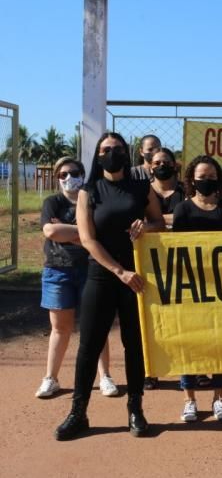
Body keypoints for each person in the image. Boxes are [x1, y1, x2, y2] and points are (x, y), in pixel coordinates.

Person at [54, 132, 164, 441]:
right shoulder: (90, 191)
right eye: (105, 149)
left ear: (126, 153)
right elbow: (87, 239)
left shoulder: (141, 187)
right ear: (98, 155)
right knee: (89, 345)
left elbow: (160, 224)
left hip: (138, 279)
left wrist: (148, 226)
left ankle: (136, 410)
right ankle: (78, 412)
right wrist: (119, 271)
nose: (111, 153)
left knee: (134, 346)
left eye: (117, 148)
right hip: (103, 276)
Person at [36, 157, 118, 399]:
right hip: (57, 270)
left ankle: (105, 377)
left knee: (96, 326)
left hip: (92, 269)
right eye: (62, 175)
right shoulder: (53, 202)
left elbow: (101, 231)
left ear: (83, 174)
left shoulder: (93, 199)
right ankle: (51, 378)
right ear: (57, 178)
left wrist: (69, 231)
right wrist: (86, 233)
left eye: (73, 172)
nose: (68, 178)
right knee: (60, 328)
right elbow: (51, 231)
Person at [173, 155, 222, 422]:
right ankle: (189, 400)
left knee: (221, 343)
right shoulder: (183, 210)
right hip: (191, 287)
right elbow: (176, 250)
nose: (206, 181)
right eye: (202, 177)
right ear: (191, 179)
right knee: (189, 342)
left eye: (211, 177)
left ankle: (218, 397)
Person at [142, 147, 184, 390]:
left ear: (174, 165)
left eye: (166, 161)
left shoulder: (185, 190)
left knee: (182, 315)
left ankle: (189, 368)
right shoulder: (143, 191)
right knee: (152, 316)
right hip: (150, 262)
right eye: (156, 161)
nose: (161, 165)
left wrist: (156, 221)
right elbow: (140, 220)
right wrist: (168, 219)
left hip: (180, 260)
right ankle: (151, 370)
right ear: (149, 165)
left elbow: (188, 215)